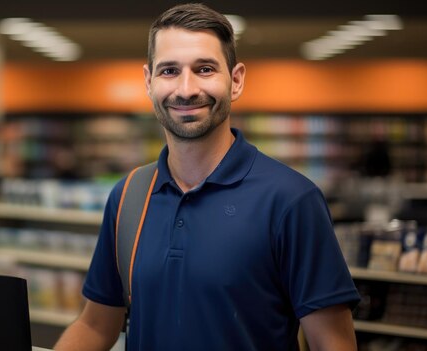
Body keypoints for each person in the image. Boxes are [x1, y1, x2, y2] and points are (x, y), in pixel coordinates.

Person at [55, 3, 360, 350]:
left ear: (236, 80)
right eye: (169, 71)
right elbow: (95, 326)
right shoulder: (128, 196)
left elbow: (333, 344)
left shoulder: (291, 200)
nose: (186, 89)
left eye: (204, 69)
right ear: (148, 82)